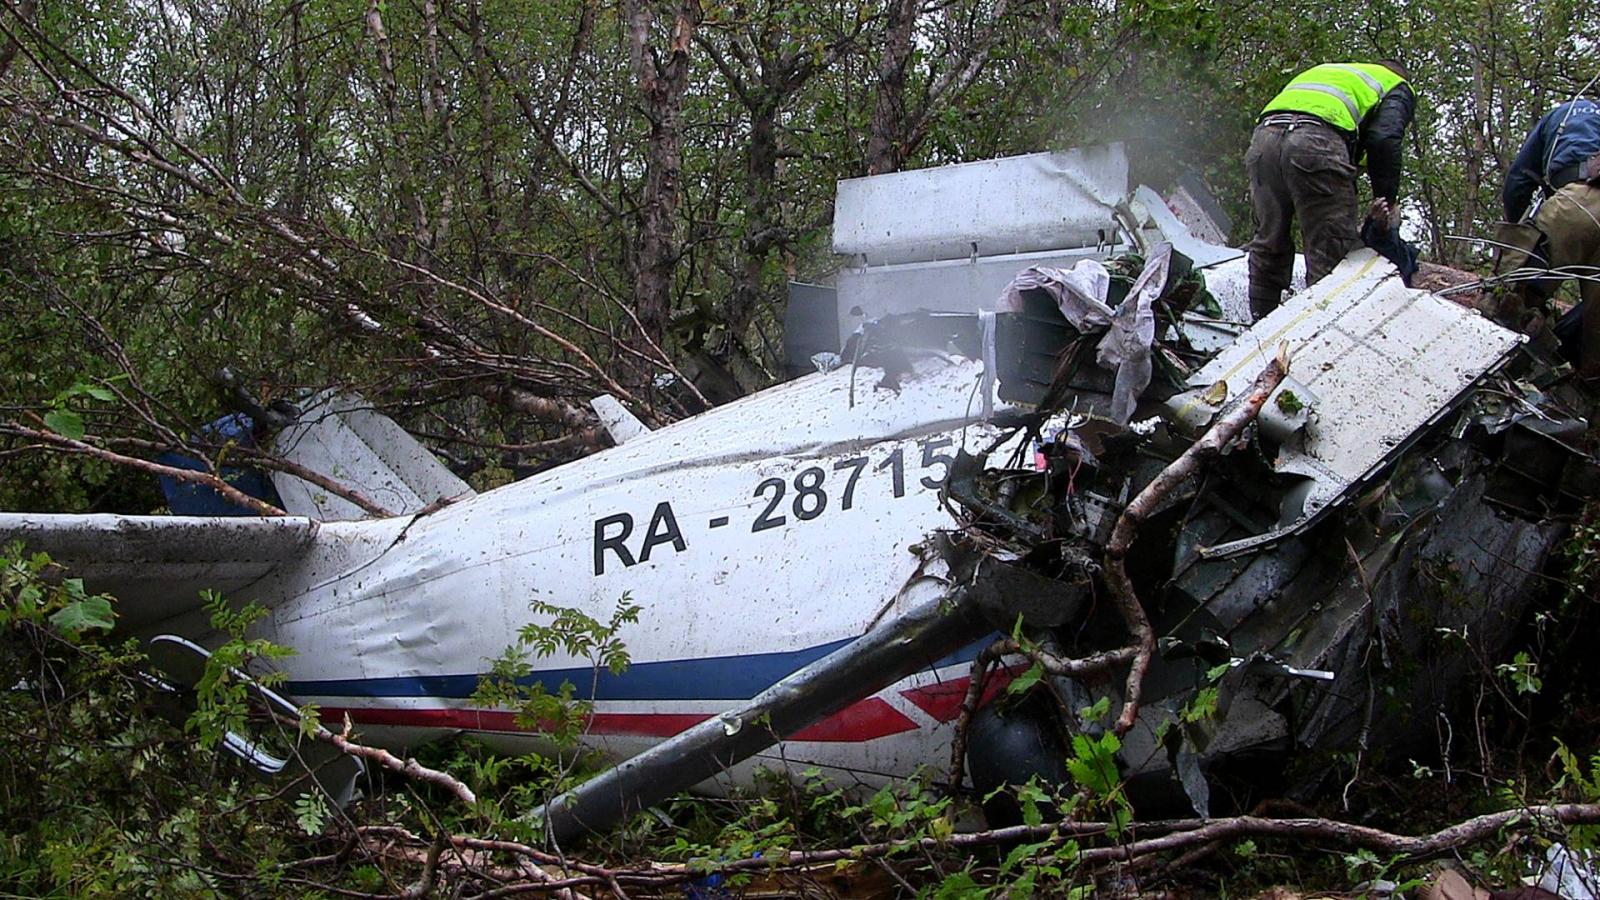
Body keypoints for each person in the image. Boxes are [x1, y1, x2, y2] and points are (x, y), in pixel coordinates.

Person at [1245, 62, 1416, 318]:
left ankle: (1258, 328)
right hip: (1316, 141)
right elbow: (1384, 138)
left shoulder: (1335, 73)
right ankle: (1319, 336)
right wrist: (1386, 200)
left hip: (1264, 139)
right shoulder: (1397, 85)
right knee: (1330, 251)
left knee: (1269, 240)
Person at [1500, 98, 1600, 379]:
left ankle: (1498, 377)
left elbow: (1519, 180)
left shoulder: (1564, 114)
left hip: (1575, 203)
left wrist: (1516, 234)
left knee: (1508, 298)